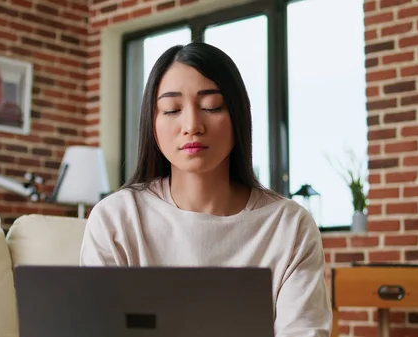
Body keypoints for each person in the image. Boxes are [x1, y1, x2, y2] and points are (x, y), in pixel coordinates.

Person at [79, 42, 332, 337]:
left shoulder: (289, 226)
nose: (192, 125)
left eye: (211, 106)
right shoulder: (116, 218)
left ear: (238, 116)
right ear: (153, 123)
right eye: (172, 109)